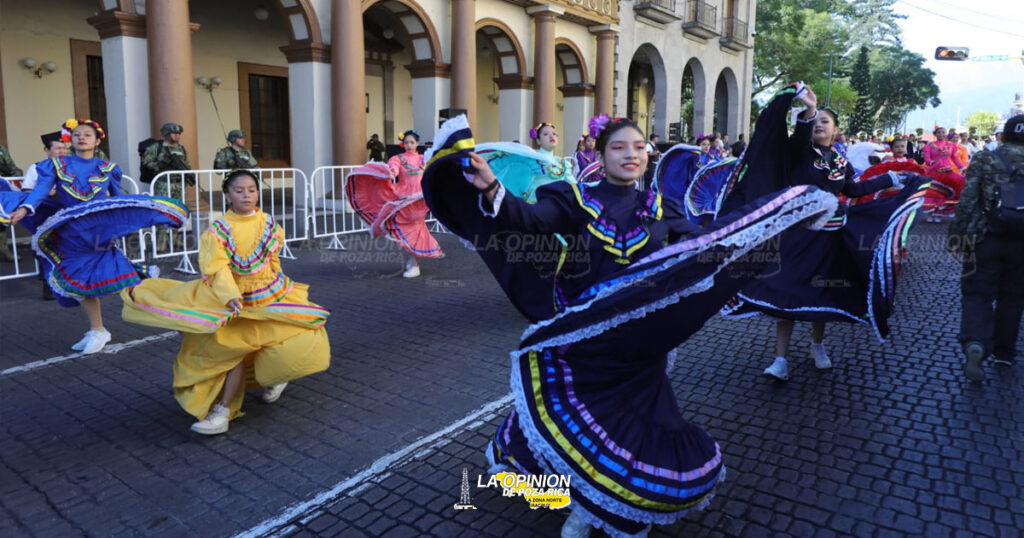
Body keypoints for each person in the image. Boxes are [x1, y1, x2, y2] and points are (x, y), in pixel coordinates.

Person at [421, 112, 837, 538]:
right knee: (578, 415)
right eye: (619, 147)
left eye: (638, 147)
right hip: (586, 337)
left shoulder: (661, 207)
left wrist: (761, 234)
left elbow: (701, 247)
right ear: (600, 156)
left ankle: (590, 504)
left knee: (633, 418)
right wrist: (493, 188)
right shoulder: (574, 198)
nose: (631, 154)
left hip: (641, 343)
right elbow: (529, 221)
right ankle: (578, 504)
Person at [716, 83, 927, 381]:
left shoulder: (840, 160)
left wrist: (891, 178)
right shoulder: (798, 152)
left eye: (824, 121)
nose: (818, 125)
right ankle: (780, 359)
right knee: (787, 290)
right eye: (815, 121)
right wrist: (810, 110)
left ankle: (818, 346)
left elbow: (852, 189)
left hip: (830, 237)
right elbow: (801, 135)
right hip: (796, 236)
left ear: (836, 130)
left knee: (822, 291)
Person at [121, 169, 331, 434]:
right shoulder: (219, 229)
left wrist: (281, 285)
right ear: (228, 195)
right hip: (232, 298)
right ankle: (222, 410)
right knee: (233, 351)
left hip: (269, 292)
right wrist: (230, 295)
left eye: (252, 190)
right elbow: (217, 267)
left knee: (286, 338)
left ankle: (276, 376)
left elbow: (274, 259)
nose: (246, 195)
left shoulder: (269, 222)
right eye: (239, 190)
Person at [2, 119, 185, 354]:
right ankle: (97, 329)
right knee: (79, 281)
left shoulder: (107, 167)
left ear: (97, 140)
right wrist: (25, 209)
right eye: (77, 134)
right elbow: (39, 192)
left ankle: (174, 309)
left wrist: (128, 222)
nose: (82, 138)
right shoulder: (56, 165)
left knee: (123, 280)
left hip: (98, 234)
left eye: (88, 134)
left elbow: (118, 200)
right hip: (70, 234)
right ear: (69, 139)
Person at [948, 114, 1024, 382]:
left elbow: (967, 199)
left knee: (977, 294)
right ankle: (1004, 352)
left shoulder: (985, 158)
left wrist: (956, 236)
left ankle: (976, 342)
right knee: (1014, 296)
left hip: (984, 237)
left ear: (1003, 136)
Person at [346, 129, 443, 278]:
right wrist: (391, 172)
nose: (409, 145)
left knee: (415, 228)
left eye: (412, 142)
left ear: (417, 143)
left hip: (419, 199)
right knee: (408, 229)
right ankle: (413, 261)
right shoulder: (398, 158)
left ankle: (414, 263)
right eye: (406, 142)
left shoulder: (424, 158)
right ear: (402, 144)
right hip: (403, 196)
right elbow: (395, 170)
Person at [17, 131, 66, 298]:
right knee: (45, 247)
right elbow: (27, 190)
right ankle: (47, 284)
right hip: (44, 213)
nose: (62, 151)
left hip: (66, 211)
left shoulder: (71, 166)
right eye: (58, 148)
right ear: (47, 150)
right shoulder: (37, 167)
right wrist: (46, 192)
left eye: (64, 148)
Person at [922, 126, 966, 221]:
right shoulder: (929, 146)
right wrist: (931, 162)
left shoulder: (951, 145)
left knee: (946, 192)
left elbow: (955, 158)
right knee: (934, 192)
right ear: (935, 134)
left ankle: (939, 213)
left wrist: (963, 168)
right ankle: (931, 213)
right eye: (939, 132)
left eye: (943, 132)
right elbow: (927, 159)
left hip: (948, 172)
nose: (941, 134)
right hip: (934, 172)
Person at [141, 122, 191, 200]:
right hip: (163, 184)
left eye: (178, 133)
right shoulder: (157, 147)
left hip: (179, 184)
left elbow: (186, 164)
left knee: (179, 208)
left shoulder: (181, 149)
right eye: (174, 133)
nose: (177, 135)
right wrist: (160, 164)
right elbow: (146, 163)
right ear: (166, 134)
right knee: (164, 207)